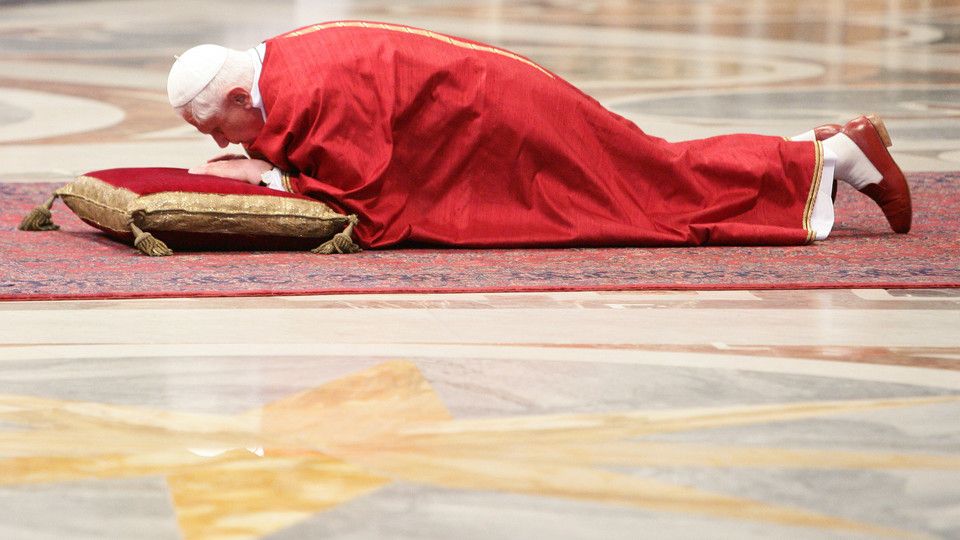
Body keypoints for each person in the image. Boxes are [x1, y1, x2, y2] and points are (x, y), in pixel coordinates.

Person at [167, 21, 911, 252]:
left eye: (220, 127)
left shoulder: (309, 87)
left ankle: (829, 156)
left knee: (645, 190)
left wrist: (267, 181)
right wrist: (258, 154)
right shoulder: (274, 67)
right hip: (481, 106)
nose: (229, 139)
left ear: (238, 93)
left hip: (498, 120)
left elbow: (369, 203)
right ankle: (810, 152)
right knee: (643, 172)